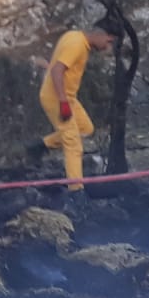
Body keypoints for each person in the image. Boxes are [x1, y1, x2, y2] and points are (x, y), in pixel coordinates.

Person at [39, 17, 118, 190]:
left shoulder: (75, 37)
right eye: (108, 42)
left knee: (86, 128)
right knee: (73, 143)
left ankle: (42, 145)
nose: (107, 47)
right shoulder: (76, 45)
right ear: (106, 36)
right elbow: (57, 70)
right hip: (56, 98)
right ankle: (76, 192)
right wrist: (63, 103)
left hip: (68, 97)